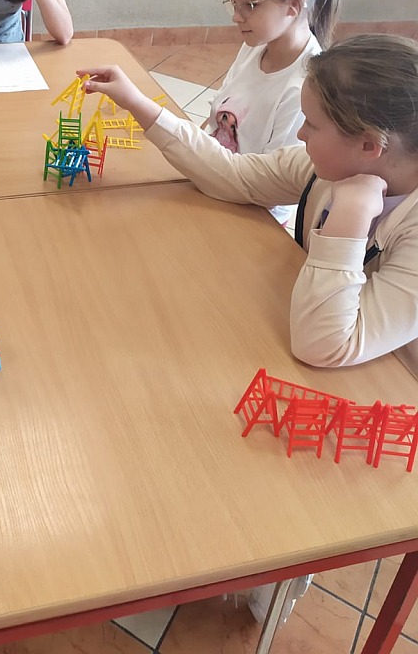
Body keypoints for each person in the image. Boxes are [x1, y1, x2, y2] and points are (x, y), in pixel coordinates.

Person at [80, 34, 418, 625]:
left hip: (383, 394)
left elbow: (325, 344)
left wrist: (348, 220)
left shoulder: (377, 205)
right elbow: (234, 176)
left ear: (370, 145)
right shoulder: (339, 165)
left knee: (265, 476)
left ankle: (268, 568)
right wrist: (139, 103)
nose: (300, 135)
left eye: (312, 125)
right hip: (318, 348)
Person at [208, 0, 341, 224]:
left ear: (294, 4)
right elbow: (217, 117)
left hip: (254, 211)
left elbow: (271, 184)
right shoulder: (255, 45)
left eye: (249, 5)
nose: (236, 16)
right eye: (233, 3)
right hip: (217, 179)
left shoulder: (306, 84)